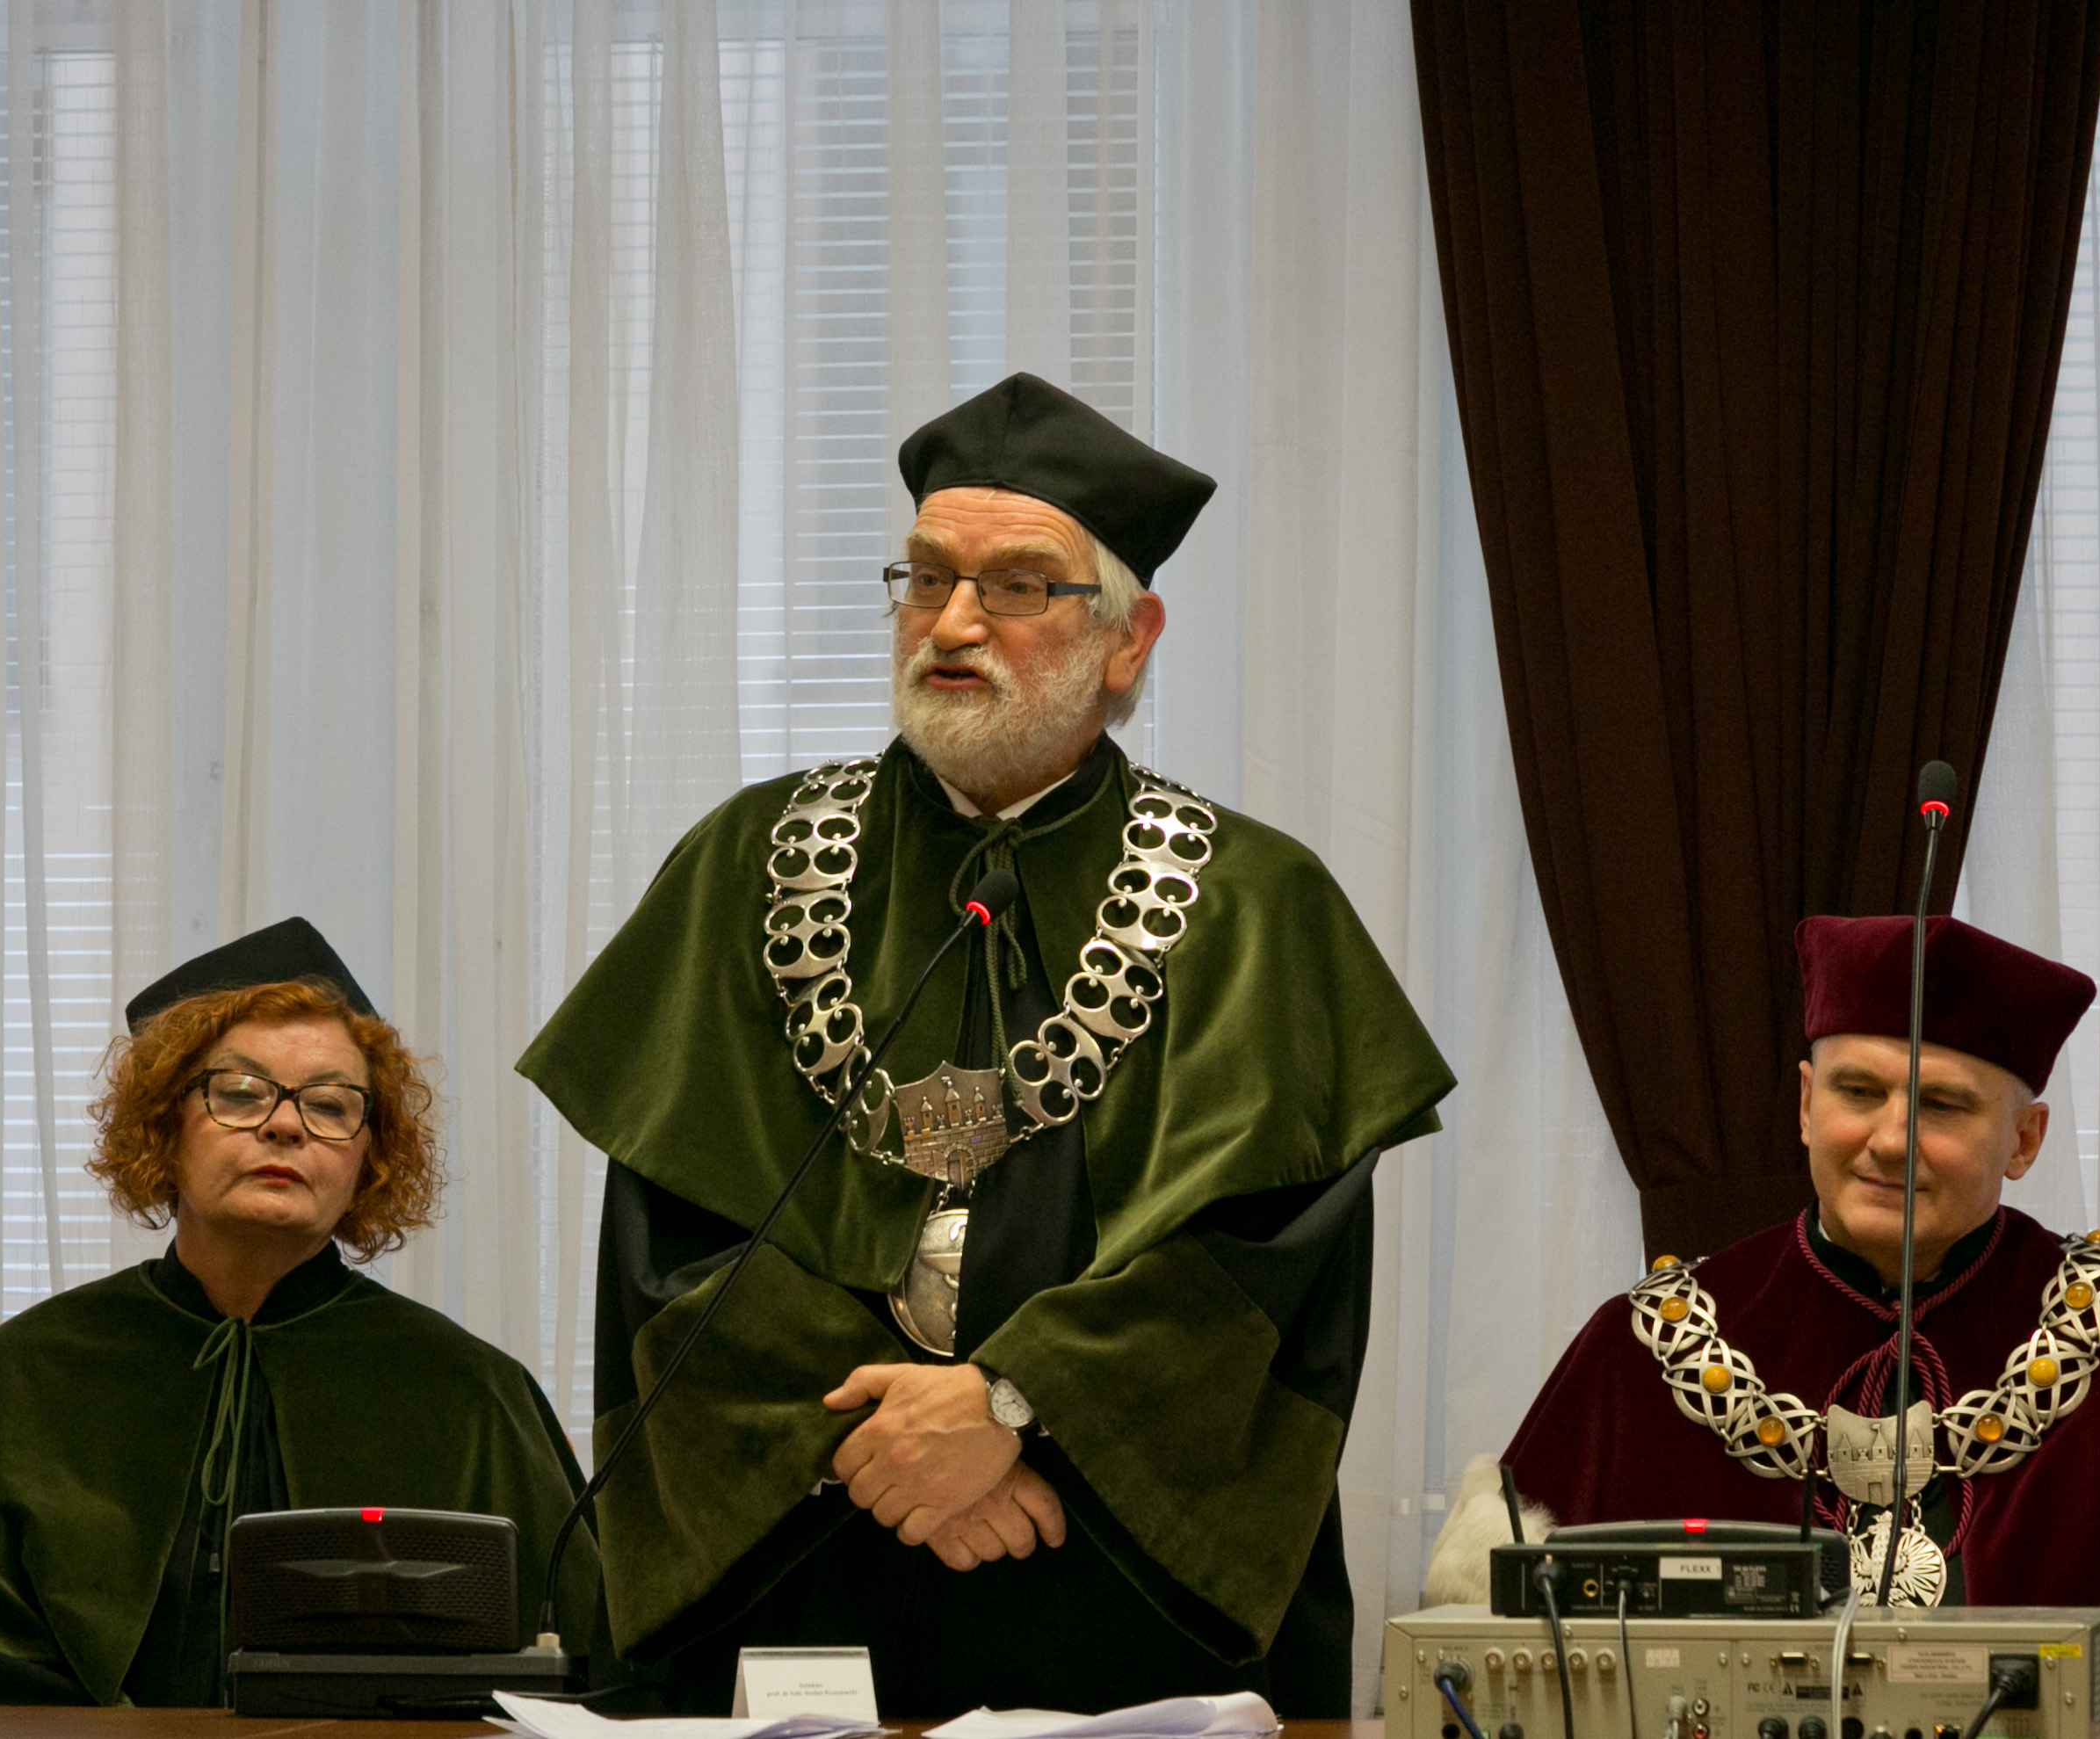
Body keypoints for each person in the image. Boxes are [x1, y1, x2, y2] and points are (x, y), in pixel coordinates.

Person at [520, 373, 1454, 1716]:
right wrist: (896, 1441)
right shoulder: (748, 863)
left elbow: (1264, 1271)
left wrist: (1011, 1401)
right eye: (927, 577)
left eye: (1018, 584)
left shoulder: (1254, 906)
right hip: (801, 1555)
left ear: (1128, 637)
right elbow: (673, 1240)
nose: (953, 621)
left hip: (1113, 1582)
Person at [1428, 915, 2100, 1628]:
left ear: (2025, 1139)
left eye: (1943, 1104)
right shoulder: (1641, 1349)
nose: (1890, 1139)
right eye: (1858, 1092)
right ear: (1806, 1104)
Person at [0, 918, 599, 1706]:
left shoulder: (470, 1394)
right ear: (164, 1127)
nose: (285, 1124)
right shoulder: (21, 1377)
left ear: (371, 1157)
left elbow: (578, 1679)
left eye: (330, 1104)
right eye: (240, 1093)